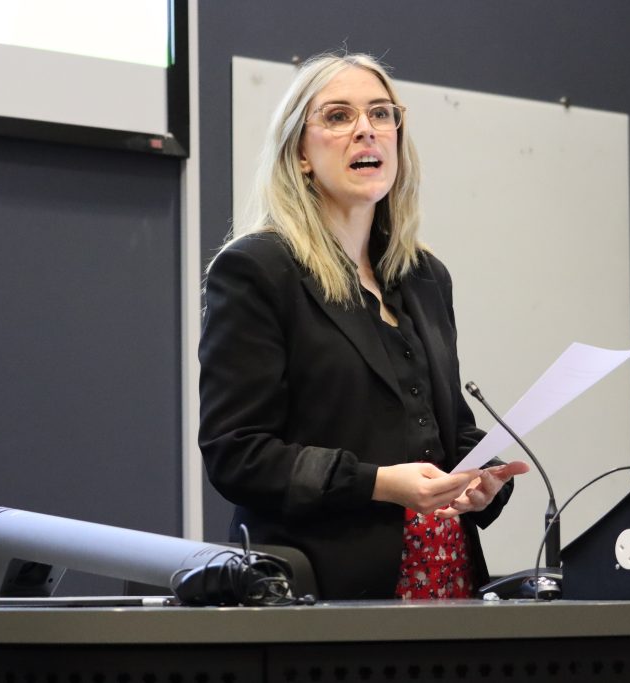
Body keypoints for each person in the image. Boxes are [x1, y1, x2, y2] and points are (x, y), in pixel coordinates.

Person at [198, 52, 529, 600]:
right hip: (326, 591)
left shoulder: (425, 277)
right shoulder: (257, 270)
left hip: (451, 577)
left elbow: (445, 431)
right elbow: (238, 453)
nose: (365, 131)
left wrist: (480, 477)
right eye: (337, 117)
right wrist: (380, 485)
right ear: (299, 153)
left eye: (381, 114)